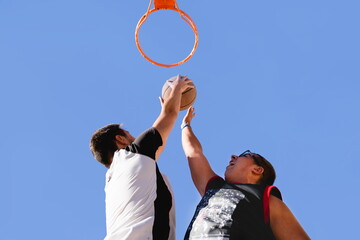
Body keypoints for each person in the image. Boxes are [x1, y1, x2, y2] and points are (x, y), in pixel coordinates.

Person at [181, 106, 311, 240]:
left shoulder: (265, 197)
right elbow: (194, 153)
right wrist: (185, 125)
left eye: (244, 155)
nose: (233, 156)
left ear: (257, 170)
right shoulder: (214, 187)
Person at [90, 75, 194, 240]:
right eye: (129, 134)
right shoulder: (131, 154)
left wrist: (168, 108)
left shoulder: (115, 179)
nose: (134, 137)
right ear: (120, 139)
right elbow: (170, 114)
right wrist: (177, 89)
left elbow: (158, 145)